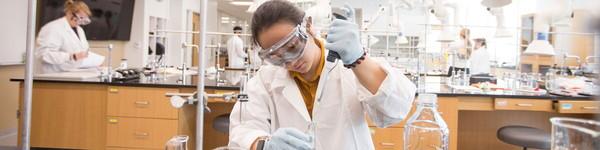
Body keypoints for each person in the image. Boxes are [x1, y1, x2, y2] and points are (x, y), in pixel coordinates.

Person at [228, 1, 416, 150]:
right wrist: (263, 145)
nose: (291, 62)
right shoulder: (265, 80)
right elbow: (242, 129)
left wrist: (358, 59)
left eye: (293, 47)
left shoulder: (349, 64)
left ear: (308, 26)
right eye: (277, 57)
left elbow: (395, 111)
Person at [35, 0, 101, 74]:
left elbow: (83, 52)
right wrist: (71, 56)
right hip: (54, 76)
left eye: (84, 19)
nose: (80, 22)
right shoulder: (53, 28)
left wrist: (93, 63)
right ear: (69, 13)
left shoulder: (79, 30)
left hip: (72, 75)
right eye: (80, 18)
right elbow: (43, 54)